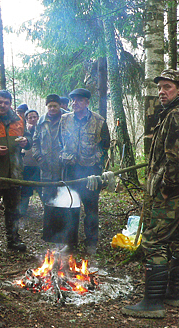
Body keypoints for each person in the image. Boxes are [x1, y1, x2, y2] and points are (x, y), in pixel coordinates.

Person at [121, 69, 179, 319]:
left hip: (174, 188)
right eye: (159, 88)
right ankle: (176, 294)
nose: (161, 92)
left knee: (154, 239)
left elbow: (176, 158)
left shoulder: (177, 115)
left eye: (167, 87)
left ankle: (153, 302)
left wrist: (166, 187)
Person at [59, 88, 110, 255]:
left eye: (79, 100)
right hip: (71, 169)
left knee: (91, 208)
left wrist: (96, 160)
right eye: (73, 100)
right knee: (70, 206)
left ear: (87, 102)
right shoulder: (65, 119)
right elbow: (61, 141)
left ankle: (91, 243)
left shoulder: (99, 121)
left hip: (90, 172)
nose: (75, 103)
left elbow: (105, 145)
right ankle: (70, 243)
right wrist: (65, 156)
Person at [0, 90, 32, 259]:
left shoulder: (18, 120)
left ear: (11, 104)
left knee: (13, 209)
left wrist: (26, 142)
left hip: (14, 173)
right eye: (0, 102)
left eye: (6, 102)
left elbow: (29, 139)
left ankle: (13, 239)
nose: (3, 105)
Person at [33, 94, 64, 204]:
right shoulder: (41, 121)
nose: (52, 108)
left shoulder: (67, 118)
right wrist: (38, 157)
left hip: (63, 167)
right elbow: (35, 142)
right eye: (50, 106)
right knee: (47, 197)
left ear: (60, 106)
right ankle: (49, 219)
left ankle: (64, 220)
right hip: (46, 167)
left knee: (64, 196)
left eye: (55, 106)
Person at [19, 109, 42, 216]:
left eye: (34, 117)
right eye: (30, 118)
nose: (33, 119)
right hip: (27, 164)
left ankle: (49, 211)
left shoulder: (43, 128)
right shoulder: (24, 130)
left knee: (42, 188)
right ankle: (22, 212)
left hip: (40, 165)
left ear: (38, 117)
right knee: (25, 189)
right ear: (26, 119)